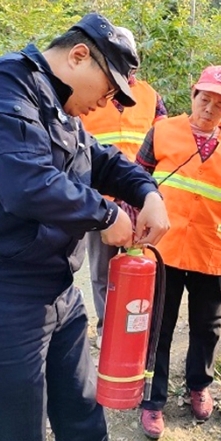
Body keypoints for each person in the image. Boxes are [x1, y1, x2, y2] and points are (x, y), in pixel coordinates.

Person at [0, 12, 170, 441]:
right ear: (79, 55)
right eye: (106, 91)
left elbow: (103, 161)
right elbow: (26, 184)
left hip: (57, 293)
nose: (105, 103)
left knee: (84, 416)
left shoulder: (62, 112)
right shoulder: (4, 85)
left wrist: (147, 193)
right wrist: (106, 216)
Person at [132, 65, 221, 439]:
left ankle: (198, 386)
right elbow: (135, 180)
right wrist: (133, 229)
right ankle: (152, 401)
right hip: (163, 250)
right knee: (160, 328)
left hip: (210, 251)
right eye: (205, 99)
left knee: (207, 327)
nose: (209, 108)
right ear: (193, 95)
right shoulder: (162, 131)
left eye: (220, 104)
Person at [79, 28, 167, 349]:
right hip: (95, 199)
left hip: (137, 195)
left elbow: (162, 139)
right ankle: (107, 329)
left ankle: (134, 327)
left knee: (137, 266)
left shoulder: (150, 96)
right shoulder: (89, 91)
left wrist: (153, 192)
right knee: (101, 270)